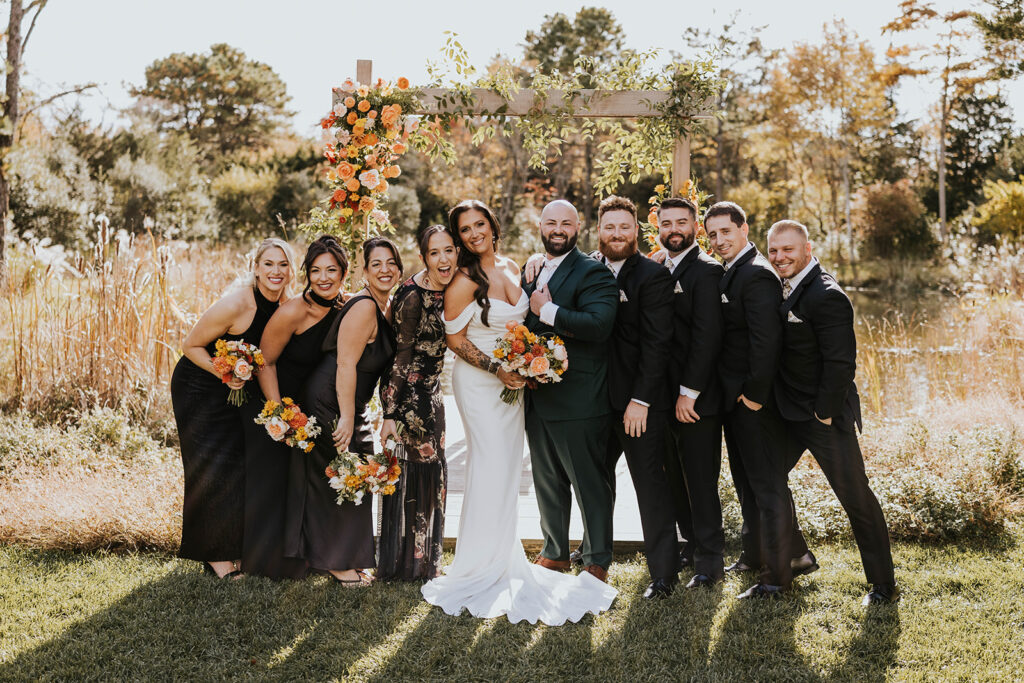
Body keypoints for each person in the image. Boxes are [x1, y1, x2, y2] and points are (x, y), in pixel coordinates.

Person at [420, 199, 617, 625]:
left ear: (493, 224)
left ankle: (504, 557)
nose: (474, 234)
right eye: (465, 229)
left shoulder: (517, 267)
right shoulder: (464, 280)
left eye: (480, 224)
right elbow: (455, 342)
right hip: (480, 384)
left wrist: (521, 365)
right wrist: (497, 368)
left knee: (507, 469)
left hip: (516, 386)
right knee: (490, 465)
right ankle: (479, 565)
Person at [766, 220, 898, 605]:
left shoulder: (827, 295)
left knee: (855, 497)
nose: (780, 257)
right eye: (774, 250)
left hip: (824, 416)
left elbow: (841, 364)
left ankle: (883, 585)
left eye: (788, 250)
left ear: (807, 249)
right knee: (766, 481)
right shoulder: (781, 286)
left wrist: (823, 414)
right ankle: (797, 556)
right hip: (788, 413)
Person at [171, 237, 294, 579]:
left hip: (235, 393)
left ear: (291, 271)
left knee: (236, 467)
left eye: (282, 265)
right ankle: (217, 560)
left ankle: (231, 546)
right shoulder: (238, 304)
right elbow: (190, 345)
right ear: (255, 268)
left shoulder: (284, 304)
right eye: (268, 264)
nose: (275, 271)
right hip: (199, 386)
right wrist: (224, 372)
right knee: (210, 467)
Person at [286, 237, 400, 587]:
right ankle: (337, 563)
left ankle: (347, 556)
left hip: (351, 401)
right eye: (375, 264)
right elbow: (346, 363)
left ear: (399, 268)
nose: (384, 270)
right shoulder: (365, 307)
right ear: (364, 272)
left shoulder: (385, 305)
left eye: (390, 263)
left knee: (355, 473)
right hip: (330, 400)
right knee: (341, 474)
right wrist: (348, 418)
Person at [522, 200, 620, 583]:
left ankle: (597, 557)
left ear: (578, 227)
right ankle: (555, 552)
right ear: (541, 226)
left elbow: (599, 324)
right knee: (547, 480)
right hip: (538, 396)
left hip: (580, 397)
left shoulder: (593, 272)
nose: (558, 229)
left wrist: (548, 311)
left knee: (589, 482)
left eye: (566, 223)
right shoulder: (533, 269)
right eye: (551, 223)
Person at [706, 201, 798, 598]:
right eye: (712, 234)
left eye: (726, 231)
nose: (719, 240)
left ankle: (778, 576)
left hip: (753, 402)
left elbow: (766, 344)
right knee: (747, 483)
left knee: (767, 486)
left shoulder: (757, 275)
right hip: (735, 400)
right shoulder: (734, 271)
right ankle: (756, 554)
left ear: (745, 229)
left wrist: (754, 399)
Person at [590, 195, 679, 598]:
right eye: (610, 227)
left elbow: (659, 344)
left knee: (649, 485)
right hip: (594, 402)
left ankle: (663, 572)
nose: (617, 234)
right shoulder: (589, 271)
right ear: (599, 232)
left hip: (639, 404)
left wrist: (640, 400)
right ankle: (595, 555)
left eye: (624, 227)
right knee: (595, 483)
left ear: (637, 231)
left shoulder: (652, 276)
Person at [244, 235, 346, 580]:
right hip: (278, 403)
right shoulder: (293, 311)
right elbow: (265, 362)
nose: (324, 277)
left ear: (344, 273)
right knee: (274, 482)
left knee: (309, 484)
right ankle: (267, 560)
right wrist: (278, 415)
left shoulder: (345, 309)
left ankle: (313, 554)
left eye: (332, 270)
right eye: (316, 270)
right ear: (305, 274)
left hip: (313, 412)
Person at [654, 197, 728, 589]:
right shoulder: (660, 266)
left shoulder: (706, 272)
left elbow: (707, 337)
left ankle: (710, 560)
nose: (674, 230)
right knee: (674, 477)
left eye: (681, 222)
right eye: (667, 223)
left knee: (700, 479)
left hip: (697, 398)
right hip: (664, 396)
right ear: (658, 228)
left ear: (695, 227)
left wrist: (689, 392)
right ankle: (691, 543)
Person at [378, 225, 457, 581]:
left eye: (449, 250)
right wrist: (390, 413)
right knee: (411, 476)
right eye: (434, 253)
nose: (443, 259)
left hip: (433, 393)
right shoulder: (412, 296)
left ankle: (425, 562)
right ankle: (403, 564)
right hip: (407, 396)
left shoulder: (455, 286)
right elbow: (400, 356)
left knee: (432, 474)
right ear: (424, 258)